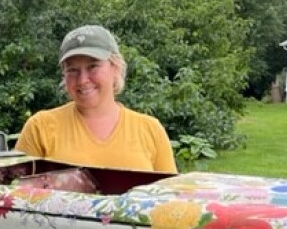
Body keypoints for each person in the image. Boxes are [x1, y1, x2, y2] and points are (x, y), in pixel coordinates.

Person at [15, 25, 177, 173]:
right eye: (72, 70)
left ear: (115, 67)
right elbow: (14, 195)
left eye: (93, 66)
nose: (82, 80)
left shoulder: (150, 129)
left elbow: (170, 198)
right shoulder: (40, 127)